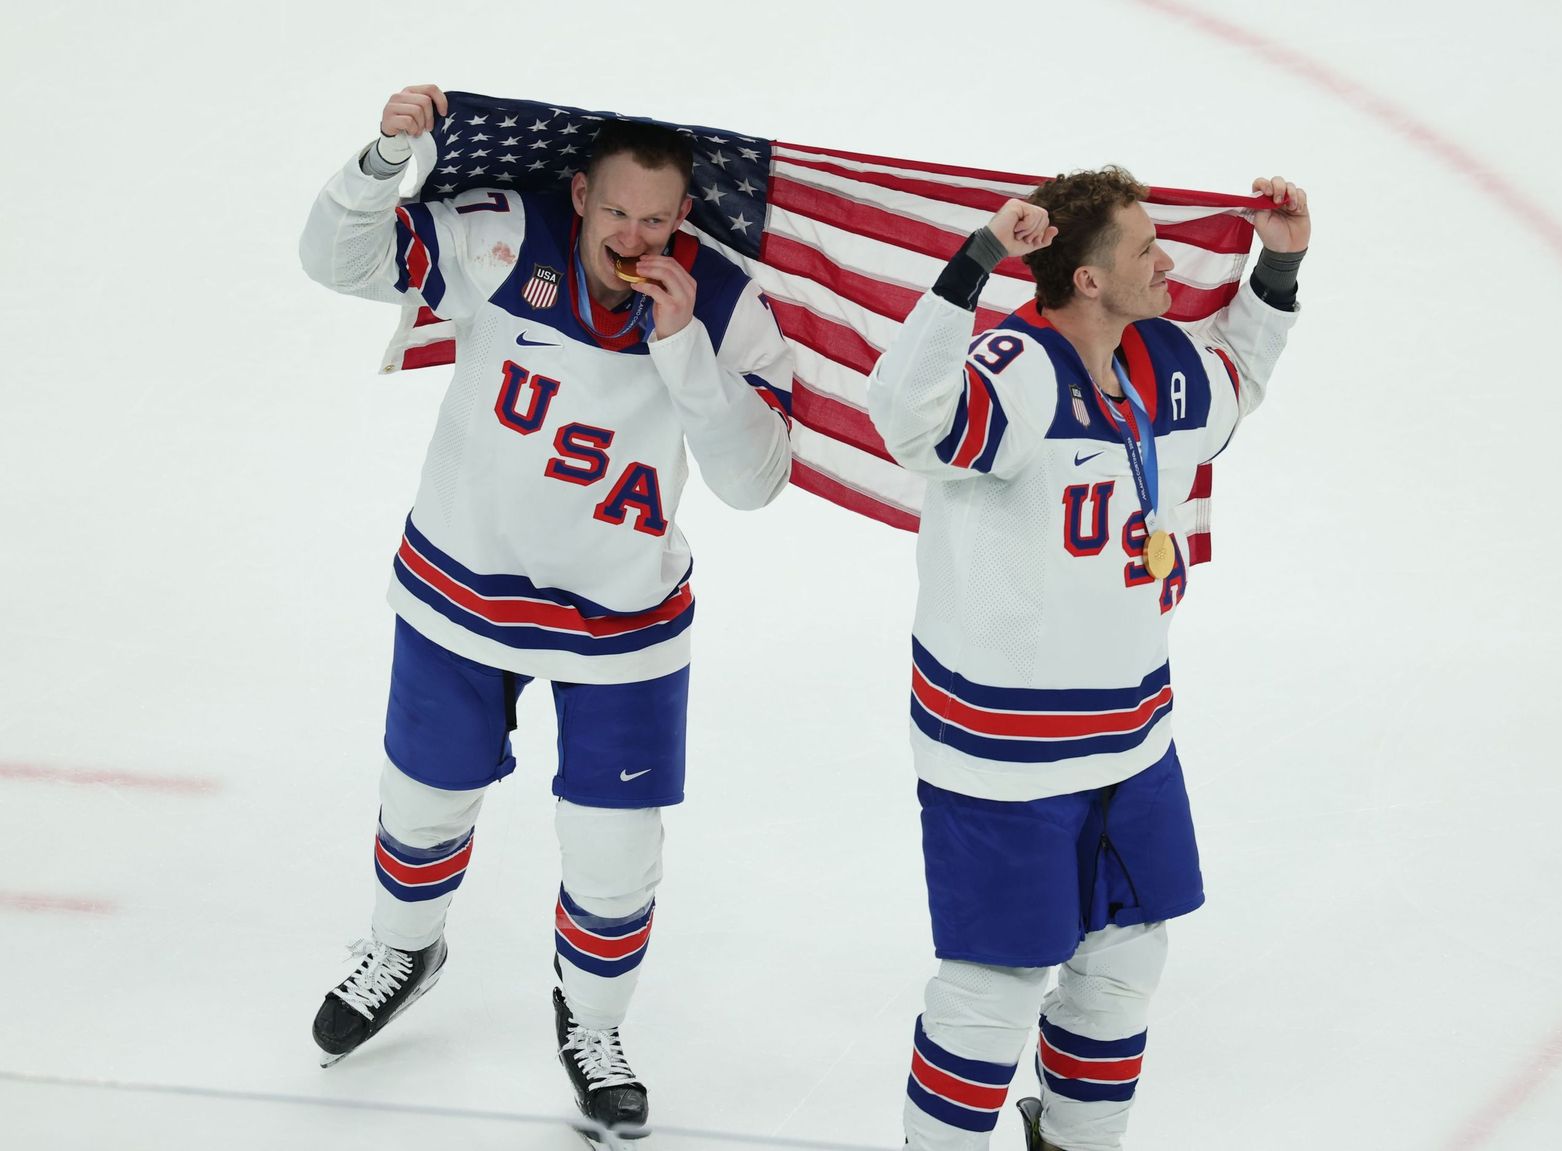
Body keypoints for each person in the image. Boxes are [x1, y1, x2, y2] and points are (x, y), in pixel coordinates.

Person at [298, 84, 794, 1137]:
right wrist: (384, 160)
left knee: (615, 852)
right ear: (579, 193)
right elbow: (333, 260)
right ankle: (405, 946)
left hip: (622, 620)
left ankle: (594, 1019)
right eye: (616, 211)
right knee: (423, 803)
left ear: (683, 217)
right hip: (461, 586)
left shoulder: (721, 302)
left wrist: (680, 352)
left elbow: (756, 481)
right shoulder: (501, 236)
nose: (634, 236)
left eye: (657, 218)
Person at [866, 167, 1309, 1150]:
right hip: (1002, 750)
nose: (1167, 261)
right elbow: (909, 418)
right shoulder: (1016, 368)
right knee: (992, 988)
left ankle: (1073, 1139)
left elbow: (1239, 376)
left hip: (1132, 736)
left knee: (1125, 962)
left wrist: (1279, 263)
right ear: (1089, 280)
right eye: (1144, 247)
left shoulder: (1165, 362)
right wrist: (978, 259)